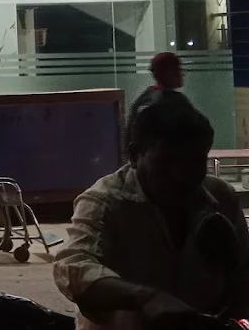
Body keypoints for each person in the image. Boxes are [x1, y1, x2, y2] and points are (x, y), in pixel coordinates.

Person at [53, 96, 249, 330]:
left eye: (195, 162)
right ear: (135, 155)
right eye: (167, 162)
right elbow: (74, 266)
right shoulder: (104, 202)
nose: (181, 175)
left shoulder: (222, 198)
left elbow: (244, 273)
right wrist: (144, 297)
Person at [123, 52, 190, 163]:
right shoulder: (175, 102)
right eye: (178, 69)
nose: (182, 74)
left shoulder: (144, 99)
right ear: (169, 73)